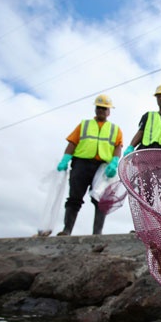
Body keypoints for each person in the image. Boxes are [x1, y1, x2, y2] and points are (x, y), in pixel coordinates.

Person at [55, 94, 123, 236]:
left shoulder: (115, 129)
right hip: (81, 164)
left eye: (104, 108)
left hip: (102, 167)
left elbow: (118, 147)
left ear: (109, 111)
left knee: (100, 199)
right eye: (99, 108)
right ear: (95, 109)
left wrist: (114, 162)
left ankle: (97, 233)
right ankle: (67, 230)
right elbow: (72, 142)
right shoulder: (84, 125)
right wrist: (65, 159)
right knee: (74, 197)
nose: (101, 111)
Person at [123, 84, 161, 156]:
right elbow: (140, 132)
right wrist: (131, 147)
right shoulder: (148, 115)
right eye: (158, 96)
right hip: (145, 154)